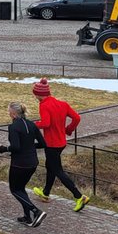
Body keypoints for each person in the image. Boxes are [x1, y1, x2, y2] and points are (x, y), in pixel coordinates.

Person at [30, 78, 89, 212]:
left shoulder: (44, 105)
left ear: (39, 94)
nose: (34, 96)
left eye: (35, 94)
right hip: (61, 142)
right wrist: (68, 130)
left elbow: (46, 123)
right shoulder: (62, 104)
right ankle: (45, 193)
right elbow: (77, 118)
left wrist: (32, 125)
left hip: (51, 144)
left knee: (57, 170)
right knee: (50, 166)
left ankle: (79, 196)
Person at [0, 103, 48, 227]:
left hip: (20, 164)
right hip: (33, 163)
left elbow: (15, 147)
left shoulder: (13, 127)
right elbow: (43, 144)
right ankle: (27, 217)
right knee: (21, 188)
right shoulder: (31, 124)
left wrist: (4, 148)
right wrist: (30, 146)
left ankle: (36, 211)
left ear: (14, 114)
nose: (8, 114)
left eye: (9, 112)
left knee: (14, 189)